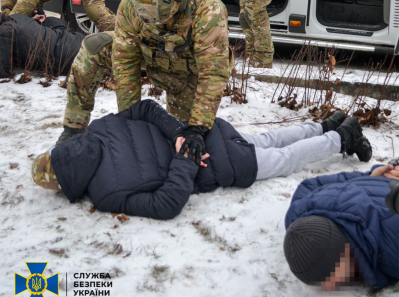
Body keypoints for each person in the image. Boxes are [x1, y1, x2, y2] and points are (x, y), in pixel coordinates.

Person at [32, 101, 372, 220]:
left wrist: (184, 151)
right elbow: (147, 109)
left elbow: (166, 205)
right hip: (209, 136)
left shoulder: (104, 194)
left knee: (283, 158)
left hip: (212, 161)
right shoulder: (98, 128)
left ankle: (342, 136)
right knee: (266, 140)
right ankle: (327, 125)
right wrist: (182, 135)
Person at [112, 0, 232, 161]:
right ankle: (72, 128)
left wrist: (197, 128)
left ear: (180, 2)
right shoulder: (133, 4)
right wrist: (129, 117)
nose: (157, 27)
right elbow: (125, 61)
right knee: (93, 47)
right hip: (151, 54)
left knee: (181, 141)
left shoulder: (208, 11)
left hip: (188, 71)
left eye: (162, 21)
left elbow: (212, 73)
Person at [284, 163, 399, 291]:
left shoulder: (390, 250)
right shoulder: (300, 210)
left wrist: (369, 177)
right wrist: (368, 178)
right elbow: (309, 185)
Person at [0, 10, 85, 78]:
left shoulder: (4, 32)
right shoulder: (16, 17)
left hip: (68, 59)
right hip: (80, 41)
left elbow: (3, 71)